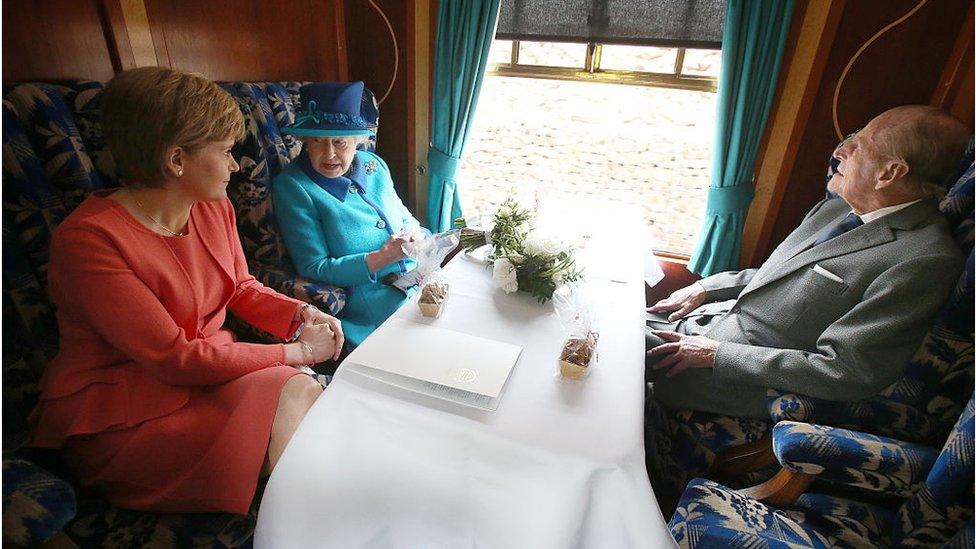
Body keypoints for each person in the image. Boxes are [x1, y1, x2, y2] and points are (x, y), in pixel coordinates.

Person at [29, 67, 344, 514]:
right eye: (225, 152)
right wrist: (296, 353)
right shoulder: (89, 241)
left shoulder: (211, 207)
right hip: (125, 413)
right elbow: (175, 358)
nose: (236, 165)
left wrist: (299, 315)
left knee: (299, 393)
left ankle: (296, 514)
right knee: (295, 386)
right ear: (176, 159)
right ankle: (300, 519)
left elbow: (239, 288)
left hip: (207, 380)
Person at [646, 105, 969, 420]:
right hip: (702, 327)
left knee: (610, 342)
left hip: (735, 376)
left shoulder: (924, 260)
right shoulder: (834, 210)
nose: (841, 151)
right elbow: (788, 275)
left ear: (890, 173)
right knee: (606, 312)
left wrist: (716, 354)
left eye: (859, 145)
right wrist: (706, 287)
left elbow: (847, 370)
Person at [273, 81, 424, 348]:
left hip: (420, 279)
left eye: (339, 142)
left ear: (357, 140)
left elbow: (404, 216)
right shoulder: (293, 187)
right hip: (372, 309)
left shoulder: (374, 165)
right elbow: (314, 267)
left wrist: (413, 233)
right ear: (305, 140)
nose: (329, 154)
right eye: (317, 141)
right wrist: (382, 258)